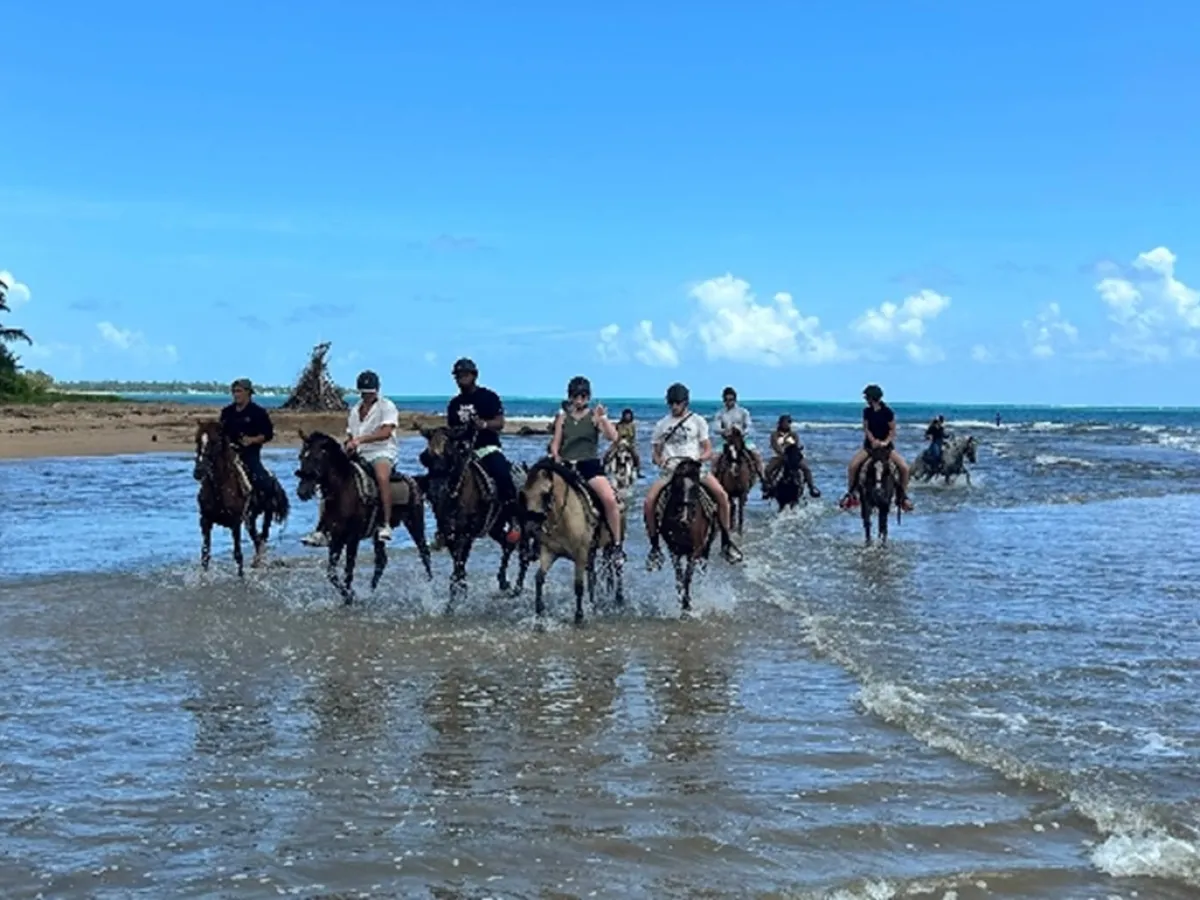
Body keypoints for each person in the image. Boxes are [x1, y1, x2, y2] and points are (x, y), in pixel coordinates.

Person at [643, 382, 743, 569]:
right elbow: (655, 453)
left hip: (695, 468)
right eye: (671, 403)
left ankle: (726, 542)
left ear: (685, 403)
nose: (674, 407)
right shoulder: (661, 425)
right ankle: (655, 548)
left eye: (678, 403)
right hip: (671, 470)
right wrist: (660, 460)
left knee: (722, 496)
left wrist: (699, 458)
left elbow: (707, 449)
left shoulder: (697, 421)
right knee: (649, 502)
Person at [548, 376, 626, 560]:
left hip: (589, 465)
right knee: (538, 494)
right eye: (575, 396)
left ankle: (616, 545)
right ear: (570, 397)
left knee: (609, 499)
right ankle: (538, 540)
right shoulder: (562, 418)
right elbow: (555, 444)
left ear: (588, 397)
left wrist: (603, 419)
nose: (579, 400)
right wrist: (556, 457)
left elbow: (613, 437)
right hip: (566, 466)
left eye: (583, 396)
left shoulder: (594, 417)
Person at [446, 357, 520, 544]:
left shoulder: (488, 397)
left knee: (503, 474)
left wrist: (484, 424)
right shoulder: (454, 404)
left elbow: (500, 423)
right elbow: (452, 429)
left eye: (465, 375)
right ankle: (444, 524)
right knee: (439, 477)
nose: (462, 378)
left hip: (486, 447)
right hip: (462, 452)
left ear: (474, 376)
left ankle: (513, 519)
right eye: (458, 376)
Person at [344, 370, 400, 541]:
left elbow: (386, 432)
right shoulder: (355, 410)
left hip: (381, 450)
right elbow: (350, 434)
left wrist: (361, 439)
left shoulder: (387, 406)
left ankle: (386, 523)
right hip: (360, 452)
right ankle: (324, 526)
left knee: (382, 477)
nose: (367, 396)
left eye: (370, 393)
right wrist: (349, 444)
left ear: (376, 390)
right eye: (364, 393)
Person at [839, 384, 914, 512]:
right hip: (870, 447)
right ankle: (851, 494)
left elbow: (892, 430)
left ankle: (903, 497)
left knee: (904, 468)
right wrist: (873, 440)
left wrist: (885, 442)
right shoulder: (867, 411)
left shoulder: (887, 412)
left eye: (867, 397)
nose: (866, 400)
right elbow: (866, 428)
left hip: (886, 448)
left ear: (873, 398)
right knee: (853, 466)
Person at [218, 378, 275, 501]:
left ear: (248, 392)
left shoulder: (258, 413)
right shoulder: (227, 412)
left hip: (249, 453)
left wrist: (252, 440)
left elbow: (268, 434)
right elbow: (220, 432)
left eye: (239, 391)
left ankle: (268, 503)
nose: (236, 395)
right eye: (234, 391)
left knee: (261, 479)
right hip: (228, 453)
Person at [712, 386, 765, 481]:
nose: (729, 402)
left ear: (735, 399)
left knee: (756, 455)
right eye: (726, 400)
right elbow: (715, 427)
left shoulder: (743, 412)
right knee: (715, 458)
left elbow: (749, 426)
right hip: (726, 441)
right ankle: (714, 481)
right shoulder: (720, 413)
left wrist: (742, 432)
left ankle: (763, 478)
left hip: (742, 439)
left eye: (731, 399)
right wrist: (723, 431)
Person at [763, 414, 821, 499]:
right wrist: (782, 453)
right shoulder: (775, 434)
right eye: (785, 422)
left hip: (793, 456)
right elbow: (775, 445)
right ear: (780, 423)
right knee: (768, 470)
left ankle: (811, 487)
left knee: (806, 468)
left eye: (789, 422)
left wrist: (794, 451)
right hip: (780, 456)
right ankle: (769, 487)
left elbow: (796, 445)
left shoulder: (793, 434)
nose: (787, 424)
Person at [602, 408, 641, 476]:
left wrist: (631, 443)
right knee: (607, 454)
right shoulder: (618, 425)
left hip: (628, 443)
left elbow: (633, 436)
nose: (627, 417)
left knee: (636, 456)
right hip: (618, 442)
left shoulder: (632, 425)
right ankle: (603, 469)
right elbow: (614, 434)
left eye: (629, 416)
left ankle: (638, 471)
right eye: (626, 415)